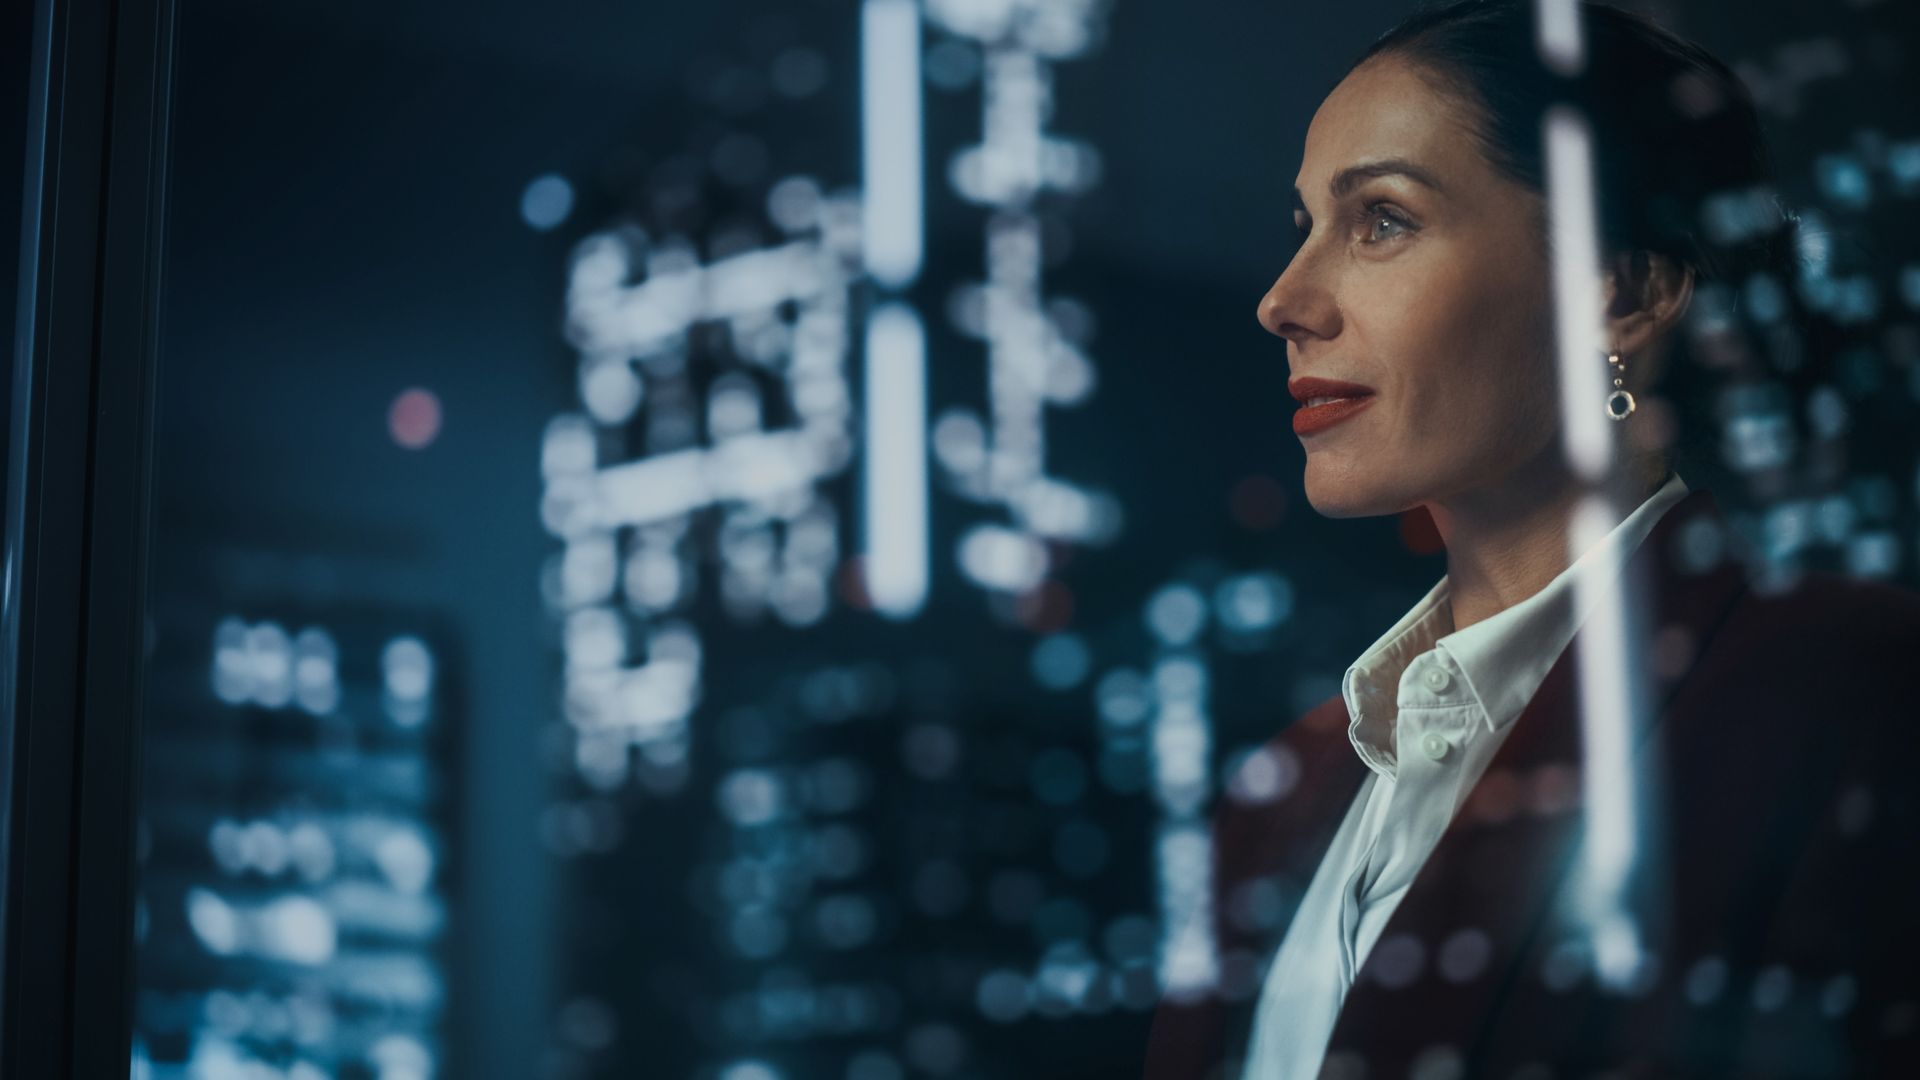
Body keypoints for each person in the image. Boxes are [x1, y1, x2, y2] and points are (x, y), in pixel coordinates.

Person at [1139, 1, 1920, 1077]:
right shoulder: (1287, 793)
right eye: (1304, 225)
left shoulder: (1852, 691)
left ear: (1624, 291)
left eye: (1382, 221)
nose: (1285, 299)